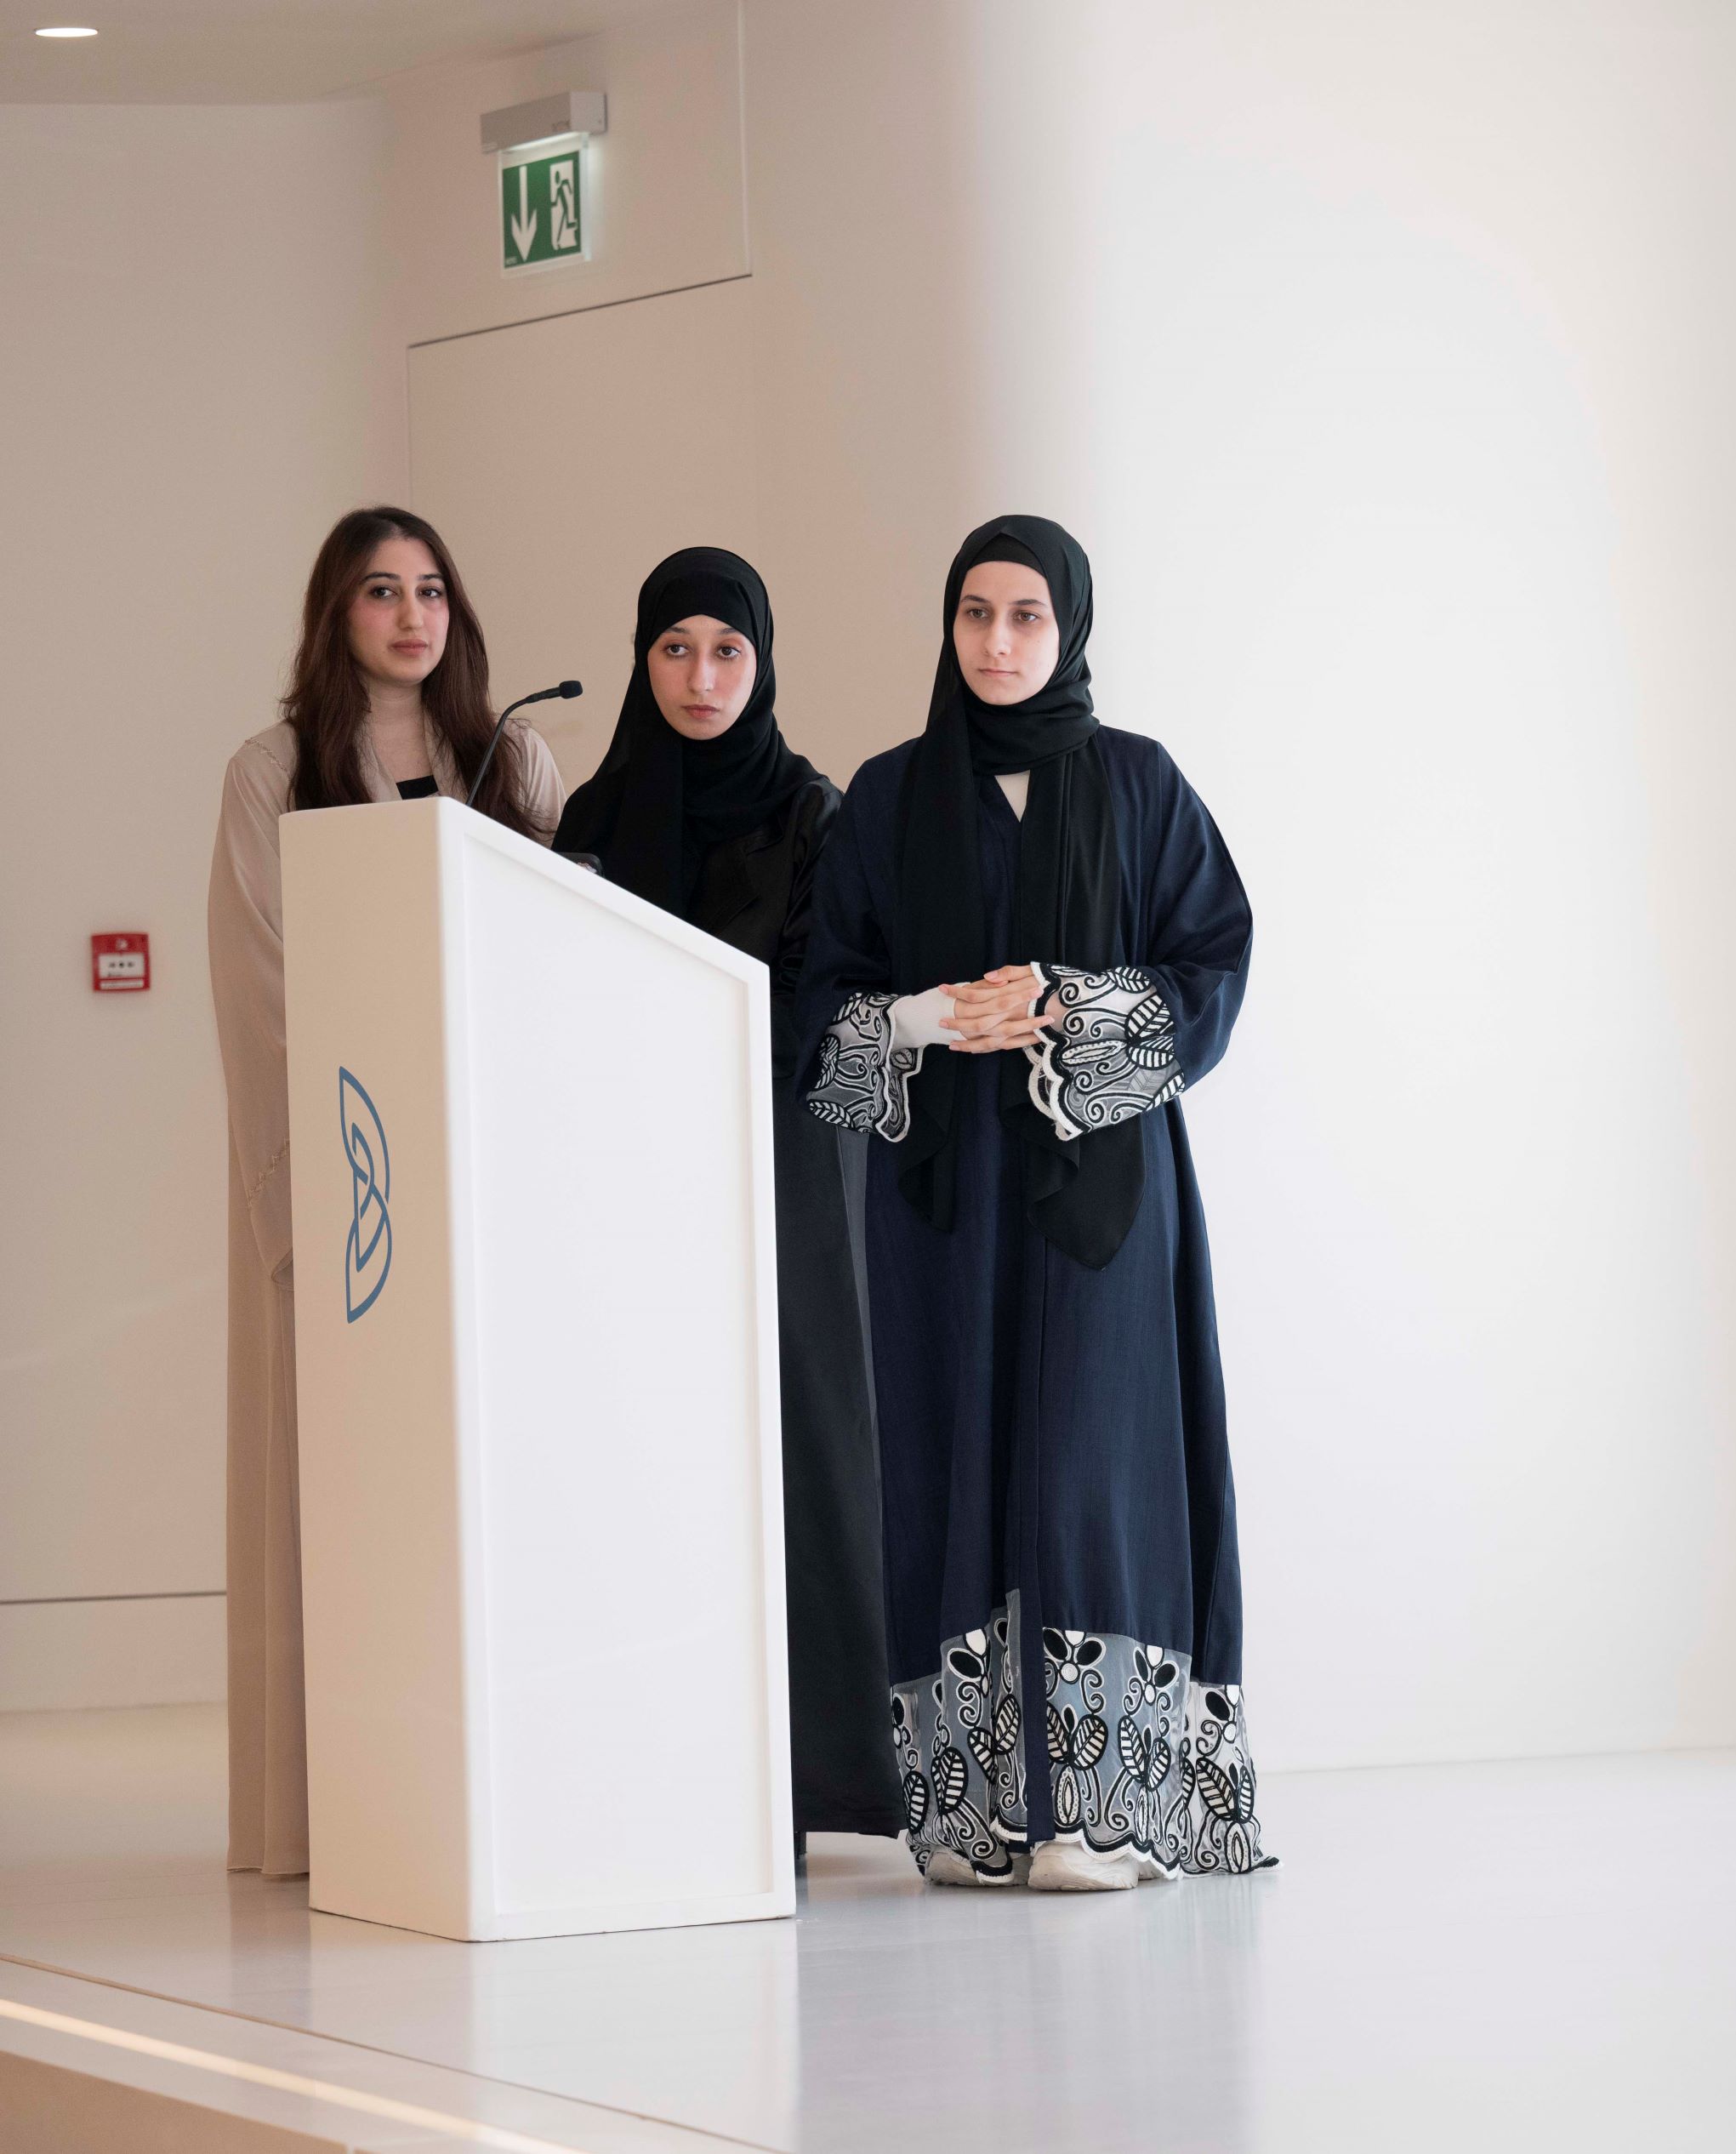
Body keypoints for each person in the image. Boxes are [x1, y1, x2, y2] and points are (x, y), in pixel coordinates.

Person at [801, 515, 1266, 1890]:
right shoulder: (889, 798)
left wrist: (1076, 1005)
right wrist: (929, 1018)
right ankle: (976, 1817)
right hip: (944, 1200)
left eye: (1025, 617)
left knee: (1091, 1473)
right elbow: (820, 1001)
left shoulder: (1139, 783)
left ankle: (1100, 1813)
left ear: (1068, 629)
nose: (997, 643)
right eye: (974, 615)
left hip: (1099, 1196)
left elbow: (1214, 963)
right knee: (954, 1460)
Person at [208, 505, 564, 1878]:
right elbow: (261, 977)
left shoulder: (514, 758)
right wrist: (375, 1104)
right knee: (348, 1478)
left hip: (492, 1162)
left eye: (430, 590)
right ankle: (340, 1810)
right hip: (355, 1159)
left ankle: (494, 1795)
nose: (412, 615)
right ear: (335, 613)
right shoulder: (273, 771)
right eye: (379, 591)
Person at [553, 548, 904, 1853]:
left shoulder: (814, 812)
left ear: (761, 664)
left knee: (802, 1456)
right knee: (644, 1457)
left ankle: (821, 1778)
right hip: (631, 1184)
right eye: (674, 648)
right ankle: (658, 1768)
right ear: (641, 659)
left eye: (726, 650)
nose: (700, 677)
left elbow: (827, 996)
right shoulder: (595, 814)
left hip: (781, 1173)